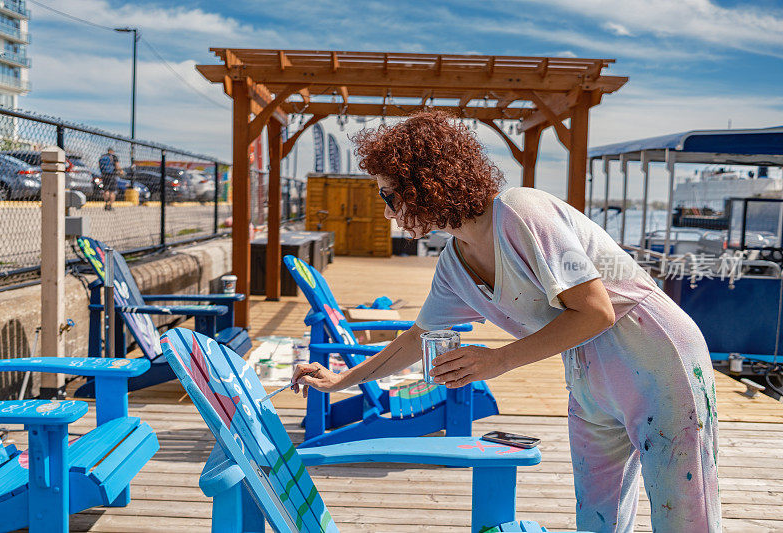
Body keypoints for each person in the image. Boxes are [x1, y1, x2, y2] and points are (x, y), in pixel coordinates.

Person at [292, 111, 721, 532]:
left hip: (656, 352)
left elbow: (595, 311)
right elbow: (414, 340)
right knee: (596, 512)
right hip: (587, 369)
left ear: (424, 183)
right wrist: (339, 381)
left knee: (683, 510)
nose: (387, 212)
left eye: (388, 196)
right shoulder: (453, 265)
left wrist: (496, 361)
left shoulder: (522, 212)